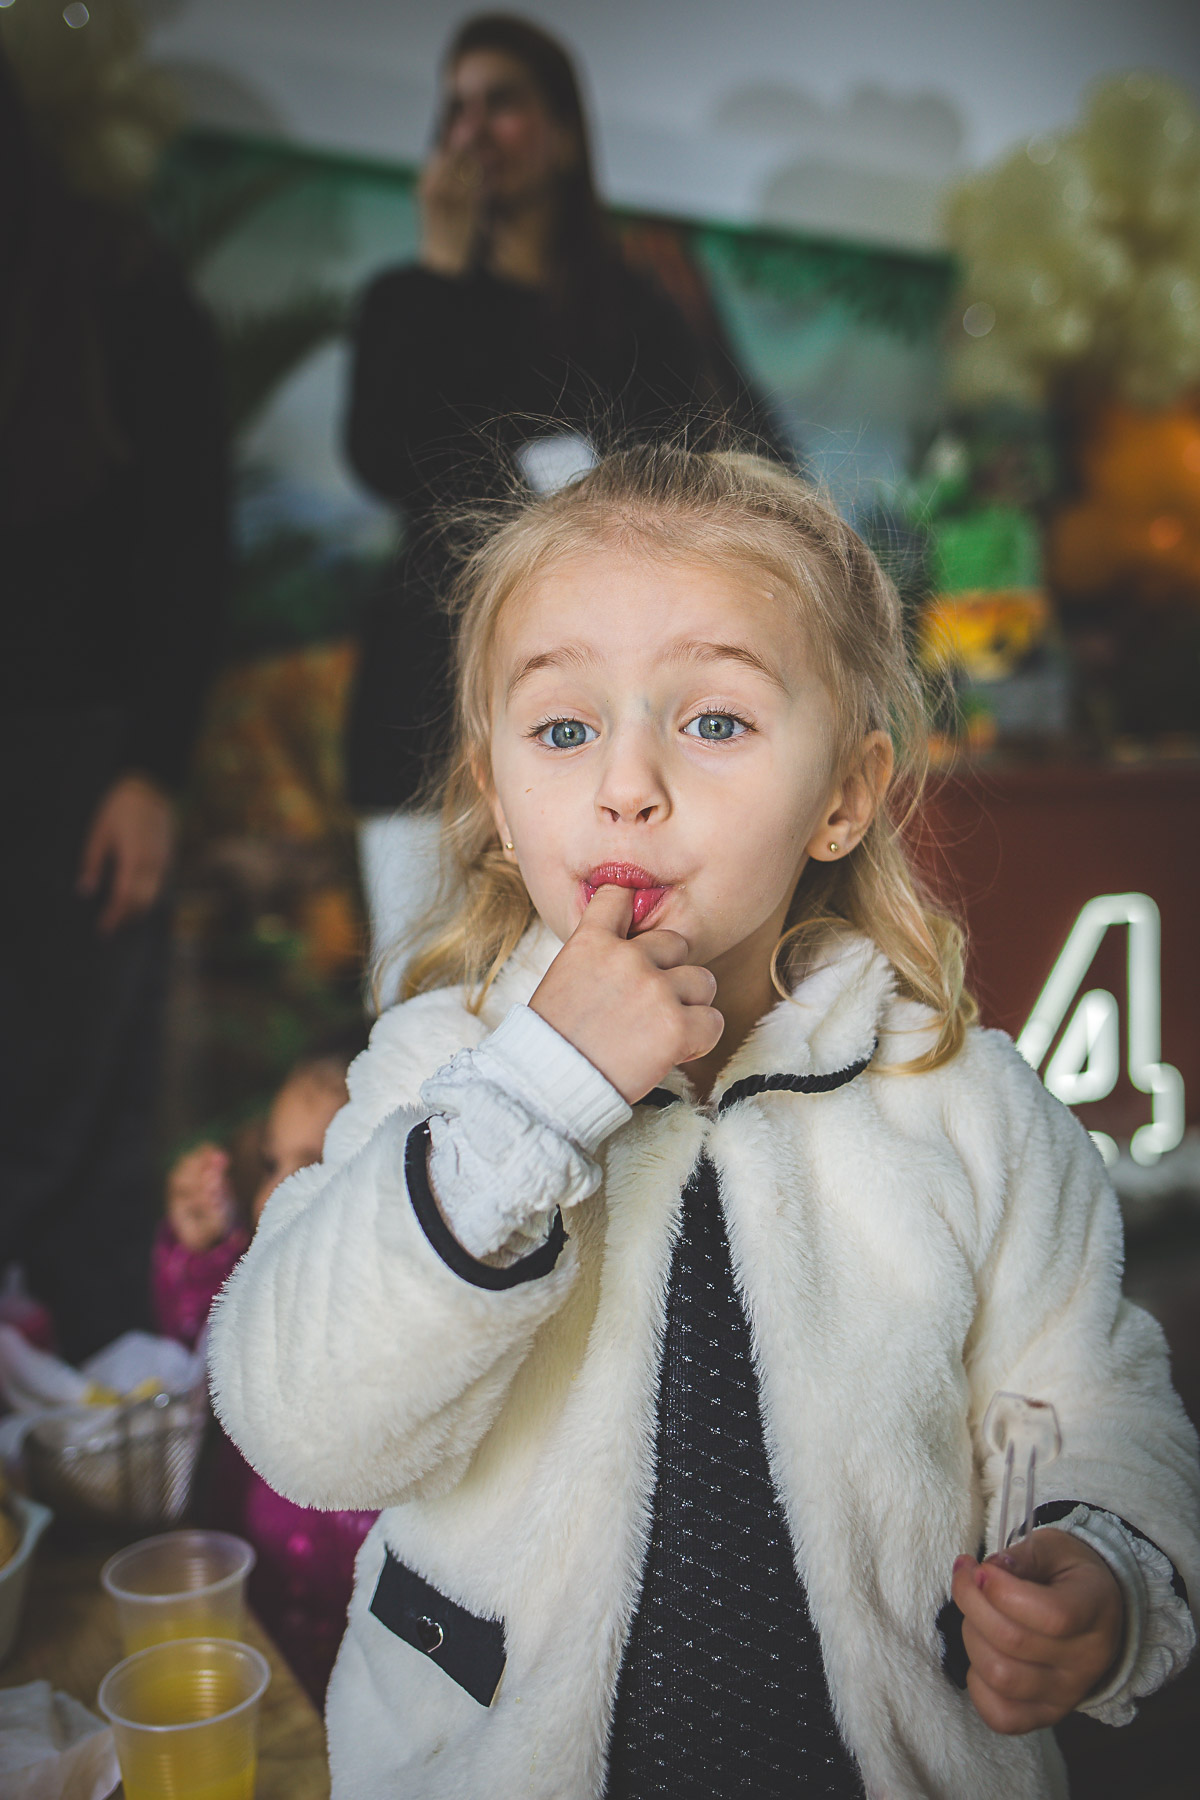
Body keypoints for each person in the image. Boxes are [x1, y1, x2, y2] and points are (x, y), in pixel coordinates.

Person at [209, 444, 1199, 1799]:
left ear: (845, 795)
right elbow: (303, 1427)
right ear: (498, 803)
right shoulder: (439, 1076)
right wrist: (538, 1097)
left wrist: (1105, 1564)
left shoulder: (969, 1102)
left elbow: (1087, 1394)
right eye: (564, 729)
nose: (629, 784)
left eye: (714, 722)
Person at [344, 13, 776, 989]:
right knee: (423, 1000)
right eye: (454, 108)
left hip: (607, 714)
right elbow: (386, 458)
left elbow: (726, 467)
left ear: (565, 131)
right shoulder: (407, 298)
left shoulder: (635, 305)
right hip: (427, 700)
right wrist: (441, 275)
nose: (472, 130)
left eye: (502, 103)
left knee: (602, 986)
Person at [0, 51, 228, 1360]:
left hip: (85, 762)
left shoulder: (121, 287)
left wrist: (151, 767)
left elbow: (187, 548)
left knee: (75, 1117)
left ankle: (97, 1450)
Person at [154, 1046, 375, 1704]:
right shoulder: (257, 1277)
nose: (274, 1187)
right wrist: (196, 1252)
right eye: (274, 1161)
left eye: (312, 1163)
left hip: (367, 1649)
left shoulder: (412, 1324)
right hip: (262, 1613)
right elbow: (202, 1339)